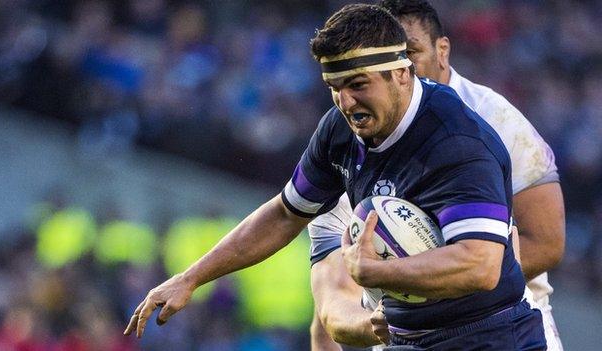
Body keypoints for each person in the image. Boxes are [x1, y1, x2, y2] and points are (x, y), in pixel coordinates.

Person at [124, 4, 545, 349]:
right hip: (408, 339)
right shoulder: (340, 131)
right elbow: (286, 214)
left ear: (401, 72)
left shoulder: (456, 141)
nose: (345, 101)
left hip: (490, 338)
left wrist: (376, 273)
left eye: (358, 84)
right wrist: (191, 278)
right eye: (335, 86)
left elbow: (480, 265)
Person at [309, 1, 565, 350]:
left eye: (411, 52)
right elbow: (331, 302)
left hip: (506, 325)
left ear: (441, 50)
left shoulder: (492, 120)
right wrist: (384, 312)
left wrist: (445, 283)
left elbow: (547, 241)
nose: (404, 66)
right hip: (403, 334)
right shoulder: (344, 148)